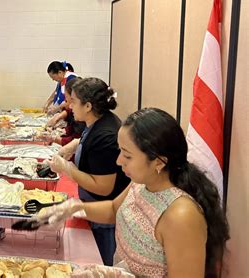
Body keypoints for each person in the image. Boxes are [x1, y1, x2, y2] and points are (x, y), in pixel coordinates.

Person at [39, 108, 230, 277]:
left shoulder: (181, 216)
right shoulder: (142, 182)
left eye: (127, 155)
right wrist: (75, 208)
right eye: (120, 151)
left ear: (158, 162)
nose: (118, 161)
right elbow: (114, 209)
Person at [46, 77, 130, 265]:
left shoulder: (106, 136)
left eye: (73, 102)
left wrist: (67, 169)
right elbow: (87, 141)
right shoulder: (97, 122)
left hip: (103, 213)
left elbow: (103, 188)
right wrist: (74, 145)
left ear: (88, 106)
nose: (69, 106)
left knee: (100, 261)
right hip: (92, 204)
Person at [46, 77, 85, 146]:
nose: (70, 107)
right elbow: (73, 127)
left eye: (66, 100)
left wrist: (54, 138)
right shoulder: (80, 112)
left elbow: (75, 139)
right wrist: (63, 130)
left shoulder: (82, 119)